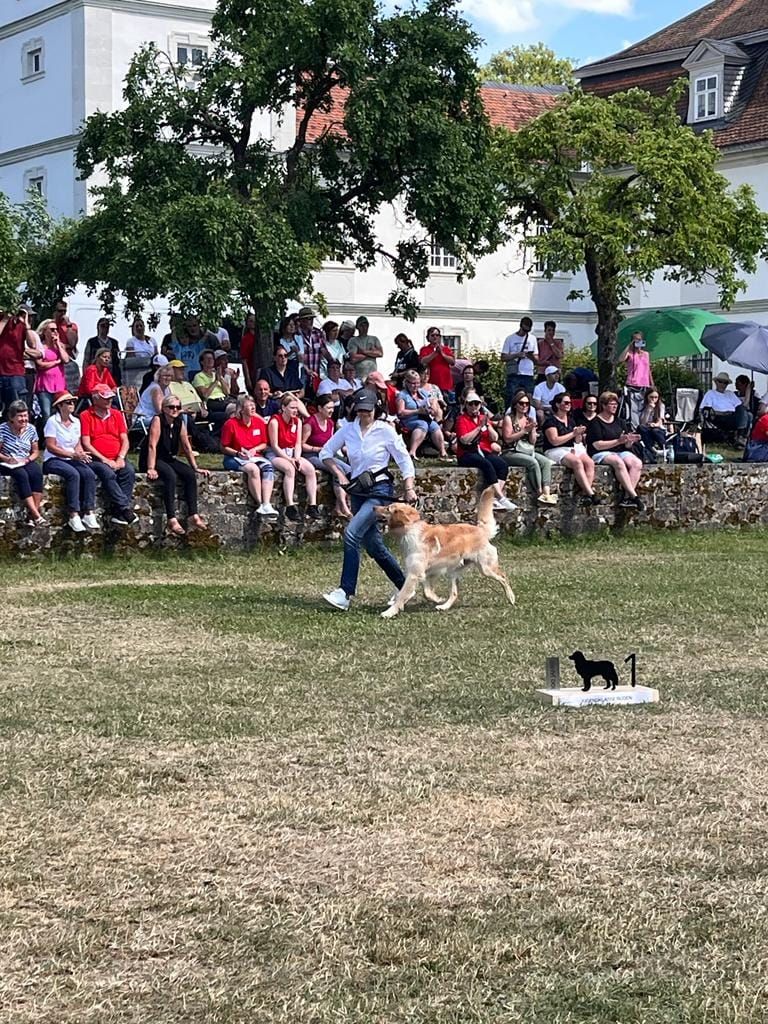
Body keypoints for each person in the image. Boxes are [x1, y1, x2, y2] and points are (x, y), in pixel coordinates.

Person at [319, 389, 416, 611]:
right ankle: (404, 586)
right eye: (360, 410)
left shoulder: (386, 431)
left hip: (379, 490)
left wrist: (409, 487)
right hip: (358, 490)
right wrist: (340, 474)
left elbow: (404, 460)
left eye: (368, 411)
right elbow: (325, 453)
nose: (364, 414)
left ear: (376, 409)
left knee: (351, 534)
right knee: (373, 546)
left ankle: (345, 592)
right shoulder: (348, 430)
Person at [140, 394, 209, 535]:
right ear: (164, 408)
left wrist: (195, 467)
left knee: (189, 474)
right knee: (170, 476)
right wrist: (151, 468)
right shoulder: (158, 420)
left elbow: (186, 446)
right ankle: (171, 518)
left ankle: (193, 514)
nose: (175, 410)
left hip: (168, 458)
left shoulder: (179, 422)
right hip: (153, 458)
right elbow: (152, 445)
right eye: (171, 407)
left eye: (178, 407)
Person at [79, 385, 137, 525]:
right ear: (95, 399)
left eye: (110, 398)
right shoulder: (86, 415)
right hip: (96, 458)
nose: (109, 400)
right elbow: (86, 443)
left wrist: (121, 457)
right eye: (105, 398)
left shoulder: (117, 414)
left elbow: (125, 440)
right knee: (107, 473)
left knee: (129, 471)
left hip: (117, 456)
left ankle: (119, 513)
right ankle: (124, 508)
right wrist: (104, 459)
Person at [42, 391, 99, 532]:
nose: (72, 404)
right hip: (54, 459)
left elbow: (77, 444)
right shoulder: (52, 422)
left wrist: (81, 454)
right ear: (60, 406)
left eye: (73, 402)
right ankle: (73, 514)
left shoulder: (76, 422)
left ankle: (89, 512)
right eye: (68, 402)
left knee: (89, 474)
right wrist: (72, 455)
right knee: (73, 474)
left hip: (71, 458)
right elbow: (51, 446)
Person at [454, 392, 516, 511]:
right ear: (466, 405)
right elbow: (464, 440)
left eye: (476, 404)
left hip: (482, 450)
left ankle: (494, 498)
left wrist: (488, 426)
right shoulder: (461, 420)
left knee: (502, 465)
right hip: (467, 453)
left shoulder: (483, 418)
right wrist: (478, 428)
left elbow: (494, 438)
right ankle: (500, 497)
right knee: (486, 464)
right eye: (471, 404)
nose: (474, 407)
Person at [220, 394, 277, 515]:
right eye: (249, 405)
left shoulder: (258, 422)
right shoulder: (230, 424)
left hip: (254, 456)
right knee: (253, 469)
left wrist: (254, 449)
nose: (253, 407)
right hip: (234, 457)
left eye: (253, 404)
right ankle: (260, 503)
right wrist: (237, 453)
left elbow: (264, 443)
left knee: (268, 467)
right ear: (241, 409)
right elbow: (223, 447)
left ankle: (267, 503)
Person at [586, 391, 644, 510]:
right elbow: (597, 445)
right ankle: (634, 496)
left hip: (620, 451)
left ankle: (627, 497)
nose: (614, 407)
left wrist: (629, 441)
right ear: (604, 405)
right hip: (601, 452)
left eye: (616, 404)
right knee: (618, 462)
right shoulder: (595, 423)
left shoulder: (620, 422)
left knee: (637, 463)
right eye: (611, 404)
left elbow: (626, 445)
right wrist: (618, 441)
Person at [266, 395, 319, 521]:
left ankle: (312, 505)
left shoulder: (298, 421)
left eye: (296, 408)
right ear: (284, 408)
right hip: (276, 453)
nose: (295, 411)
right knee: (290, 469)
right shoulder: (275, 422)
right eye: (292, 408)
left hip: (292, 452)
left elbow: (297, 443)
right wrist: (290, 460)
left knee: (310, 470)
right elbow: (274, 446)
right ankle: (290, 505)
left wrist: (297, 458)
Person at [543, 392, 599, 505]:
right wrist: (573, 434)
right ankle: (590, 493)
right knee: (577, 462)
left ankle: (585, 495)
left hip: (570, 447)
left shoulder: (571, 420)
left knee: (589, 463)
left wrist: (579, 434)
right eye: (566, 402)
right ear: (558, 404)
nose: (569, 404)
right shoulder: (550, 421)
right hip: (555, 449)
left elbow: (576, 441)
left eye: (569, 402)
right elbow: (554, 441)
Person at [501, 391, 557, 504]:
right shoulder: (509, 419)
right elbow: (507, 439)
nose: (524, 406)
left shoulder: (529, 419)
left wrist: (532, 430)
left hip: (526, 450)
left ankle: (546, 492)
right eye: (521, 403)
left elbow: (532, 442)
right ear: (515, 405)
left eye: (527, 404)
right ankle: (539, 492)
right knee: (533, 463)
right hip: (511, 451)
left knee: (545, 462)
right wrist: (524, 431)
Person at [302, 395, 353, 518]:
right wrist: (316, 449)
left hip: (326, 455)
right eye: (328, 408)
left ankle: (338, 507)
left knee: (349, 470)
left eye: (332, 408)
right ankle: (343, 506)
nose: (331, 410)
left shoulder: (330, 423)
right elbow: (301, 444)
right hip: (311, 455)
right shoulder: (310, 423)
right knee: (337, 470)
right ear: (320, 408)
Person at [0, 400, 44, 525]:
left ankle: (31, 516)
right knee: (22, 475)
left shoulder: (31, 429)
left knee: (36, 473)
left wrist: (28, 459)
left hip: (25, 459)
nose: (24, 419)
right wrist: (7, 459)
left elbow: (35, 451)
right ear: (11, 417)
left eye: (25, 415)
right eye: (20, 416)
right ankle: (36, 515)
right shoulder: (2, 429)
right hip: (7, 461)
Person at [396, 369, 449, 460]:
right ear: (407, 383)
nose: (416, 386)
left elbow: (430, 403)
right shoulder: (402, 395)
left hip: (424, 417)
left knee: (434, 426)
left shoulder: (423, 392)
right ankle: (412, 452)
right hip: (409, 420)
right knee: (422, 424)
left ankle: (443, 452)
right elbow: (400, 412)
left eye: (418, 383)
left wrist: (431, 409)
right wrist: (417, 411)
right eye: (413, 383)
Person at [0, 305, 39, 414]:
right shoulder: (3, 320)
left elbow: (33, 344)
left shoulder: (23, 327)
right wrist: (6, 318)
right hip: (1, 370)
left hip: (16, 372)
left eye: (29, 316)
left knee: (17, 408)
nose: (28, 317)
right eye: (23, 314)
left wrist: (27, 326)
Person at [33, 320, 70, 423]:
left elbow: (66, 360)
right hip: (45, 385)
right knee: (46, 413)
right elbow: (40, 365)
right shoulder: (40, 348)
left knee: (61, 412)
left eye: (56, 329)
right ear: (45, 331)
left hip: (59, 385)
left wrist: (57, 344)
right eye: (52, 329)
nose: (55, 332)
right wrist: (56, 362)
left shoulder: (60, 346)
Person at [700, 372, 750, 446]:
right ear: (716, 382)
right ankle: (740, 437)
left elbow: (743, 406)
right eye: (720, 382)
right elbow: (705, 410)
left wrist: (748, 390)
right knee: (747, 415)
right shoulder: (710, 393)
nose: (722, 384)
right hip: (718, 417)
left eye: (725, 383)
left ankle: (741, 437)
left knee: (748, 414)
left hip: (732, 416)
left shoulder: (730, 393)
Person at [501, 316, 538, 407]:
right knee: (511, 397)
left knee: (529, 397)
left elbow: (537, 359)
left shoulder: (532, 338)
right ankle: (509, 413)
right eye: (524, 330)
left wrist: (530, 356)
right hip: (514, 373)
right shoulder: (510, 338)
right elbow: (503, 357)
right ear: (520, 326)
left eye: (527, 331)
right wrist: (516, 355)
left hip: (528, 373)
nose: (525, 333)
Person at [621, 331, 654, 427]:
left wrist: (652, 383)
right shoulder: (630, 354)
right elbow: (621, 359)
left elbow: (648, 370)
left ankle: (643, 426)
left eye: (639, 339)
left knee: (644, 407)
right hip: (632, 384)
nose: (638, 341)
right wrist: (629, 346)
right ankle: (635, 427)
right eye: (635, 339)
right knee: (633, 409)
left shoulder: (646, 354)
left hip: (644, 384)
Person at [193, 349, 232, 426]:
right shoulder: (199, 376)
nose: (210, 360)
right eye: (208, 359)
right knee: (235, 409)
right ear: (202, 362)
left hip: (225, 400)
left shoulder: (216, 374)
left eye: (212, 359)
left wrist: (220, 379)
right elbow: (205, 395)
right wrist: (215, 382)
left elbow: (227, 392)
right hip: (212, 402)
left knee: (241, 408)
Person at [295, 306, 329, 391]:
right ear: (301, 320)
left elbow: (324, 351)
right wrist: (307, 369)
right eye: (308, 319)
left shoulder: (317, 333)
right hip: (301, 374)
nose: (311, 321)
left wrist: (333, 361)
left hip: (315, 374)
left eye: (311, 318)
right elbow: (296, 357)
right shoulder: (296, 334)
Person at [419, 327, 455, 400]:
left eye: (437, 335)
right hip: (431, 384)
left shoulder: (446, 349)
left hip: (446, 384)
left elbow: (452, 362)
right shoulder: (424, 349)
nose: (435, 337)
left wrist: (442, 354)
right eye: (432, 335)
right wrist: (435, 353)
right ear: (428, 338)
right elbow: (423, 361)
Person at [83, 318, 122, 385]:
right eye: (103, 325)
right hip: (97, 376)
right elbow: (86, 360)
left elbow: (118, 361)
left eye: (107, 326)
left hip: (113, 376)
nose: (105, 328)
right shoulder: (92, 342)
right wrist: (86, 376)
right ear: (98, 327)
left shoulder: (114, 342)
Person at [638, 389, 669, 457]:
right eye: (651, 397)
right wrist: (648, 410)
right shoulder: (642, 405)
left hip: (658, 427)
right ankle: (651, 450)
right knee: (641, 428)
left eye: (656, 397)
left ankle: (665, 448)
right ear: (647, 397)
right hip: (646, 427)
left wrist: (655, 424)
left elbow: (660, 420)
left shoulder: (661, 405)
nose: (653, 399)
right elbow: (642, 422)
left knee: (655, 430)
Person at [239, 313, 258, 393]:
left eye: (255, 321)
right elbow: (244, 360)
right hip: (252, 371)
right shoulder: (246, 339)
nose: (253, 323)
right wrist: (247, 378)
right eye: (250, 321)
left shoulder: (260, 337)